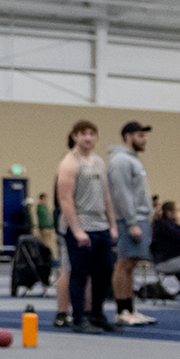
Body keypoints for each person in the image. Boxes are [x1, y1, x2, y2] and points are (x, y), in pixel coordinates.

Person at [57, 119, 119, 334]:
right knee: (79, 273)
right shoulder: (69, 163)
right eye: (83, 134)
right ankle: (78, 318)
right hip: (80, 226)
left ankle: (97, 314)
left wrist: (112, 224)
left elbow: (106, 196)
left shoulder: (99, 162)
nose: (88, 138)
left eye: (92, 134)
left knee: (104, 272)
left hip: (100, 225)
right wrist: (76, 230)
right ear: (75, 136)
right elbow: (65, 199)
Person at [108, 122, 155, 327]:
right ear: (128, 136)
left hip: (139, 218)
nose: (144, 140)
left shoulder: (133, 160)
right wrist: (131, 222)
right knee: (124, 263)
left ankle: (130, 308)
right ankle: (122, 310)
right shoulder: (120, 161)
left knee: (131, 264)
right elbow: (122, 194)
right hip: (130, 220)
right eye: (139, 135)